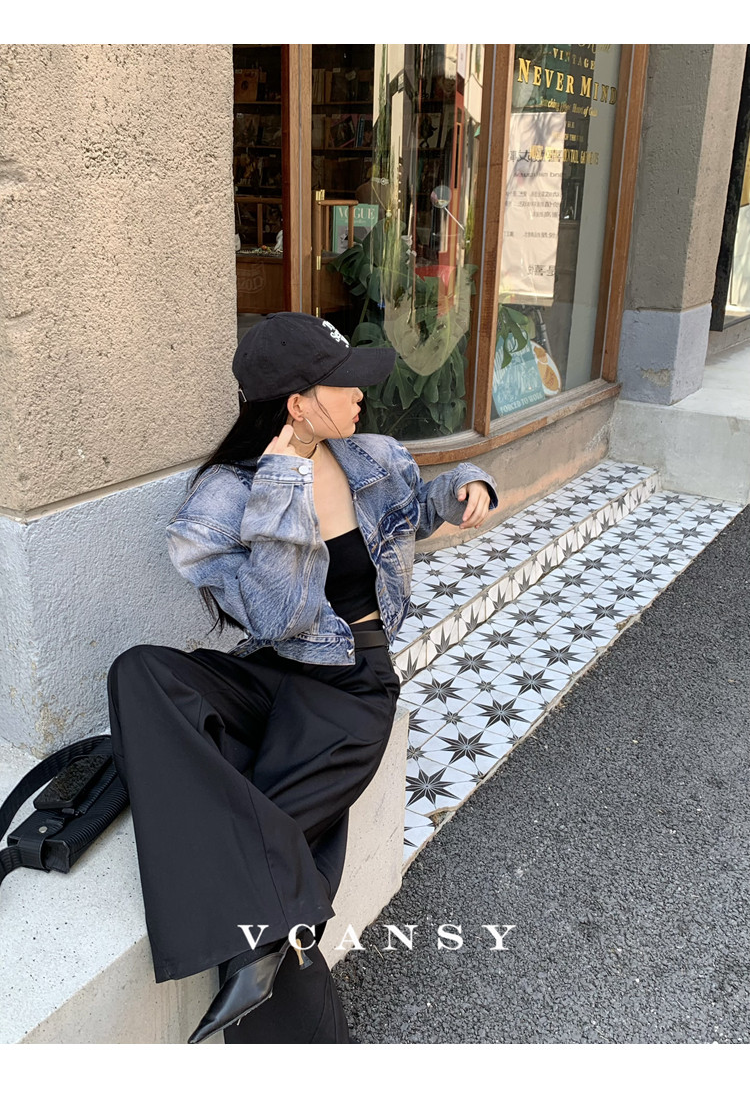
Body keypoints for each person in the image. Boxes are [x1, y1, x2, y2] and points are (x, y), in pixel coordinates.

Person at [106, 312, 499, 1044]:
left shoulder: (370, 456)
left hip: (353, 685)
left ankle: (259, 964)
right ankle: (262, 947)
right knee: (140, 673)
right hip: (276, 669)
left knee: (271, 837)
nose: (360, 395)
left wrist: (467, 485)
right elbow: (278, 617)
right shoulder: (221, 499)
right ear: (297, 404)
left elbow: (420, 507)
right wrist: (284, 483)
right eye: (344, 384)